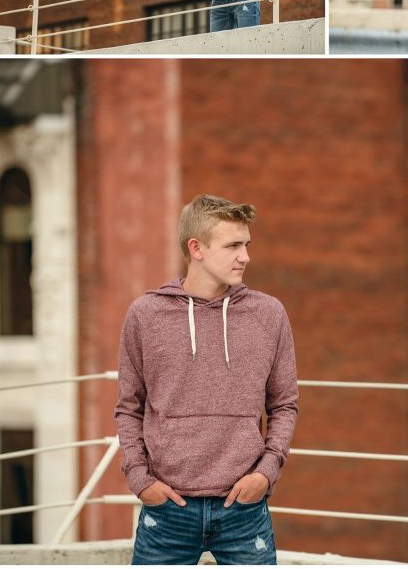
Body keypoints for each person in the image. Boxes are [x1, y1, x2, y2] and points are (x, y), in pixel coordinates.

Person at [115, 194, 298, 567]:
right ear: (196, 248)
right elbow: (128, 406)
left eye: (246, 245)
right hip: (167, 510)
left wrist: (265, 474)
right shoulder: (146, 315)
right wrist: (140, 480)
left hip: (244, 508)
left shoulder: (268, 314)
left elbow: (284, 404)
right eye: (233, 246)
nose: (245, 256)